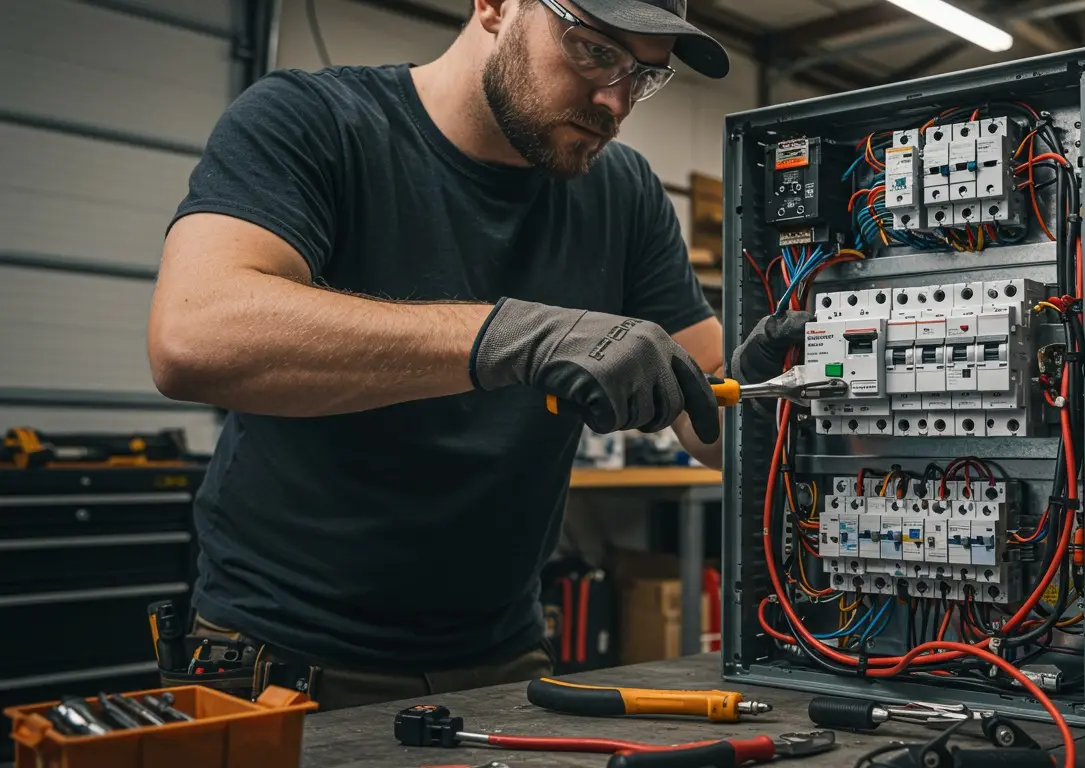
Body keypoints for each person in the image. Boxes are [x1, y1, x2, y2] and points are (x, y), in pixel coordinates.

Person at [148, 0, 803, 710]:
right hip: (281, 657)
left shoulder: (626, 192)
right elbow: (194, 336)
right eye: (594, 51)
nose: (616, 100)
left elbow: (705, 416)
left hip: (500, 655)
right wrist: (511, 337)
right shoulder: (313, 121)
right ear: (493, 6)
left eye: (644, 77)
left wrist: (776, 393)